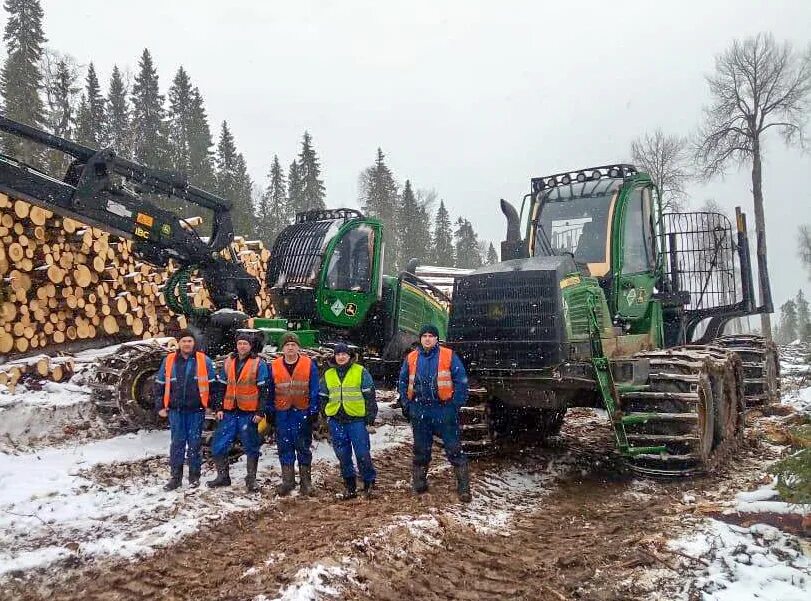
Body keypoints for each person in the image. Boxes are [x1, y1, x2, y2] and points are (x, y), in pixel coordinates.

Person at [398, 323, 472, 503]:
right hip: (420, 409)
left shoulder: (448, 355)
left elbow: (461, 381)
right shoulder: (412, 357)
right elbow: (402, 381)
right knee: (421, 449)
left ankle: (463, 487)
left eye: (431, 335)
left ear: (437, 339)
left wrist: (454, 405)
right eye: (424, 336)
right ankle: (419, 484)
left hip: (443, 409)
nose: (428, 339)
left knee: (453, 448)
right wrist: (407, 404)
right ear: (420, 339)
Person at [153, 330, 217, 491]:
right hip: (176, 410)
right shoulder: (169, 360)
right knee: (177, 444)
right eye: (184, 341)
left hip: (196, 410)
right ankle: (175, 478)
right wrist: (160, 406)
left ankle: (194, 477)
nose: (187, 344)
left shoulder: (204, 360)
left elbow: (213, 386)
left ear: (194, 343)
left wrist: (213, 405)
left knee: (195, 444)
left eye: (189, 341)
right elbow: (159, 384)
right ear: (179, 343)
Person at [207, 331, 270, 492]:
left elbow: (264, 390)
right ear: (236, 345)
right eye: (240, 343)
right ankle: (223, 477)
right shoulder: (229, 361)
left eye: (245, 344)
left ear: (250, 346)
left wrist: (260, 412)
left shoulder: (258, 363)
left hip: (248, 413)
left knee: (252, 446)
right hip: (229, 411)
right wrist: (219, 407)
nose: (242, 346)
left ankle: (251, 479)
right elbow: (221, 385)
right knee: (219, 445)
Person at [319, 342, 377, 499]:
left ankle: (368, 482)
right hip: (337, 419)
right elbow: (323, 397)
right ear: (334, 357)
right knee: (342, 454)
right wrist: (325, 415)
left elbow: (370, 396)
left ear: (350, 356)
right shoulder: (328, 374)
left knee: (362, 453)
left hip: (356, 419)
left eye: (344, 354)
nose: (341, 357)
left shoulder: (360, 372)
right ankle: (350, 485)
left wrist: (370, 417)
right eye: (338, 354)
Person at [266, 332, 320, 496]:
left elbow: (314, 389)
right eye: (287, 345)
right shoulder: (274, 366)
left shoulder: (308, 364)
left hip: (301, 411)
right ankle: (288, 481)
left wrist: (313, 410)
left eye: (293, 345)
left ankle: (306, 483)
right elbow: (270, 391)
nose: (290, 348)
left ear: (298, 347)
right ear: (282, 348)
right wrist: (270, 411)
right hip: (282, 412)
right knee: (284, 446)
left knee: (303, 446)